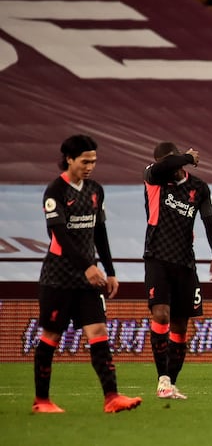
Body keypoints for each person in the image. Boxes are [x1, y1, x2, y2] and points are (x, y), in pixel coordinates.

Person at [33, 134, 142, 413]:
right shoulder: (55, 191)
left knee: (98, 331)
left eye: (94, 161)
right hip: (58, 277)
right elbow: (59, 235)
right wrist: (87, 267)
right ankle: (42, 401)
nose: (90, 166)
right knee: (52, 336)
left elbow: (100, 232)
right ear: (69, 159)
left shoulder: (95, 189)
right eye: (85, 161)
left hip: (88, 278)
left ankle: (112, 398)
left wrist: (110, 270)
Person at [143, 142, 212, 399]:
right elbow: (164, 165)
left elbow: (209, 221)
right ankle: (162, 379)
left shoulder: (199, 187)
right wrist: (185, 157)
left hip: (185, 263)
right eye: (172, 162)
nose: (175, 167)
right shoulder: (153, 178)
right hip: (157, 258)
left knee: (180, 326)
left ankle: (171, 383)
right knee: (162, 315)